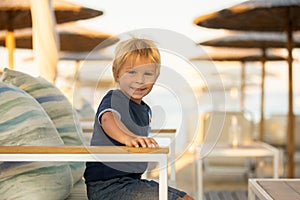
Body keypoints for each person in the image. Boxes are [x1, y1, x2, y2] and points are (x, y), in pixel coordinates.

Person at [84, 37, 193, 200]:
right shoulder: (115, 98)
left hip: (132, 182)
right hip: (107, 186)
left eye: (147, 73)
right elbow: (108, 120)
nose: (140, 80)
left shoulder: (145, 109)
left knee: (186, 198)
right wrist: (128, 138)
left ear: (156, 77)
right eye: (131, 72)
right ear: (116, 73)